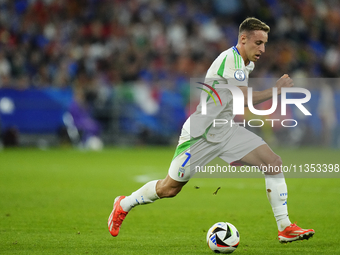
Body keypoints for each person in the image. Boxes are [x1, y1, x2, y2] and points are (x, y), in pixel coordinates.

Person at [108, 17, 315, 243]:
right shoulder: (230, 60)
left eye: (265, 43)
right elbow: (241, 99)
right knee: (169, 189)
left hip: (225, 129)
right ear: (243, 39)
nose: (263, 49)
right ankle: (123, 204)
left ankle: (284, 227)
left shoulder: (247, 63)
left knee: (273, 162)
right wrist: (275, 91)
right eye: (258, 43)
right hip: (201, 135)